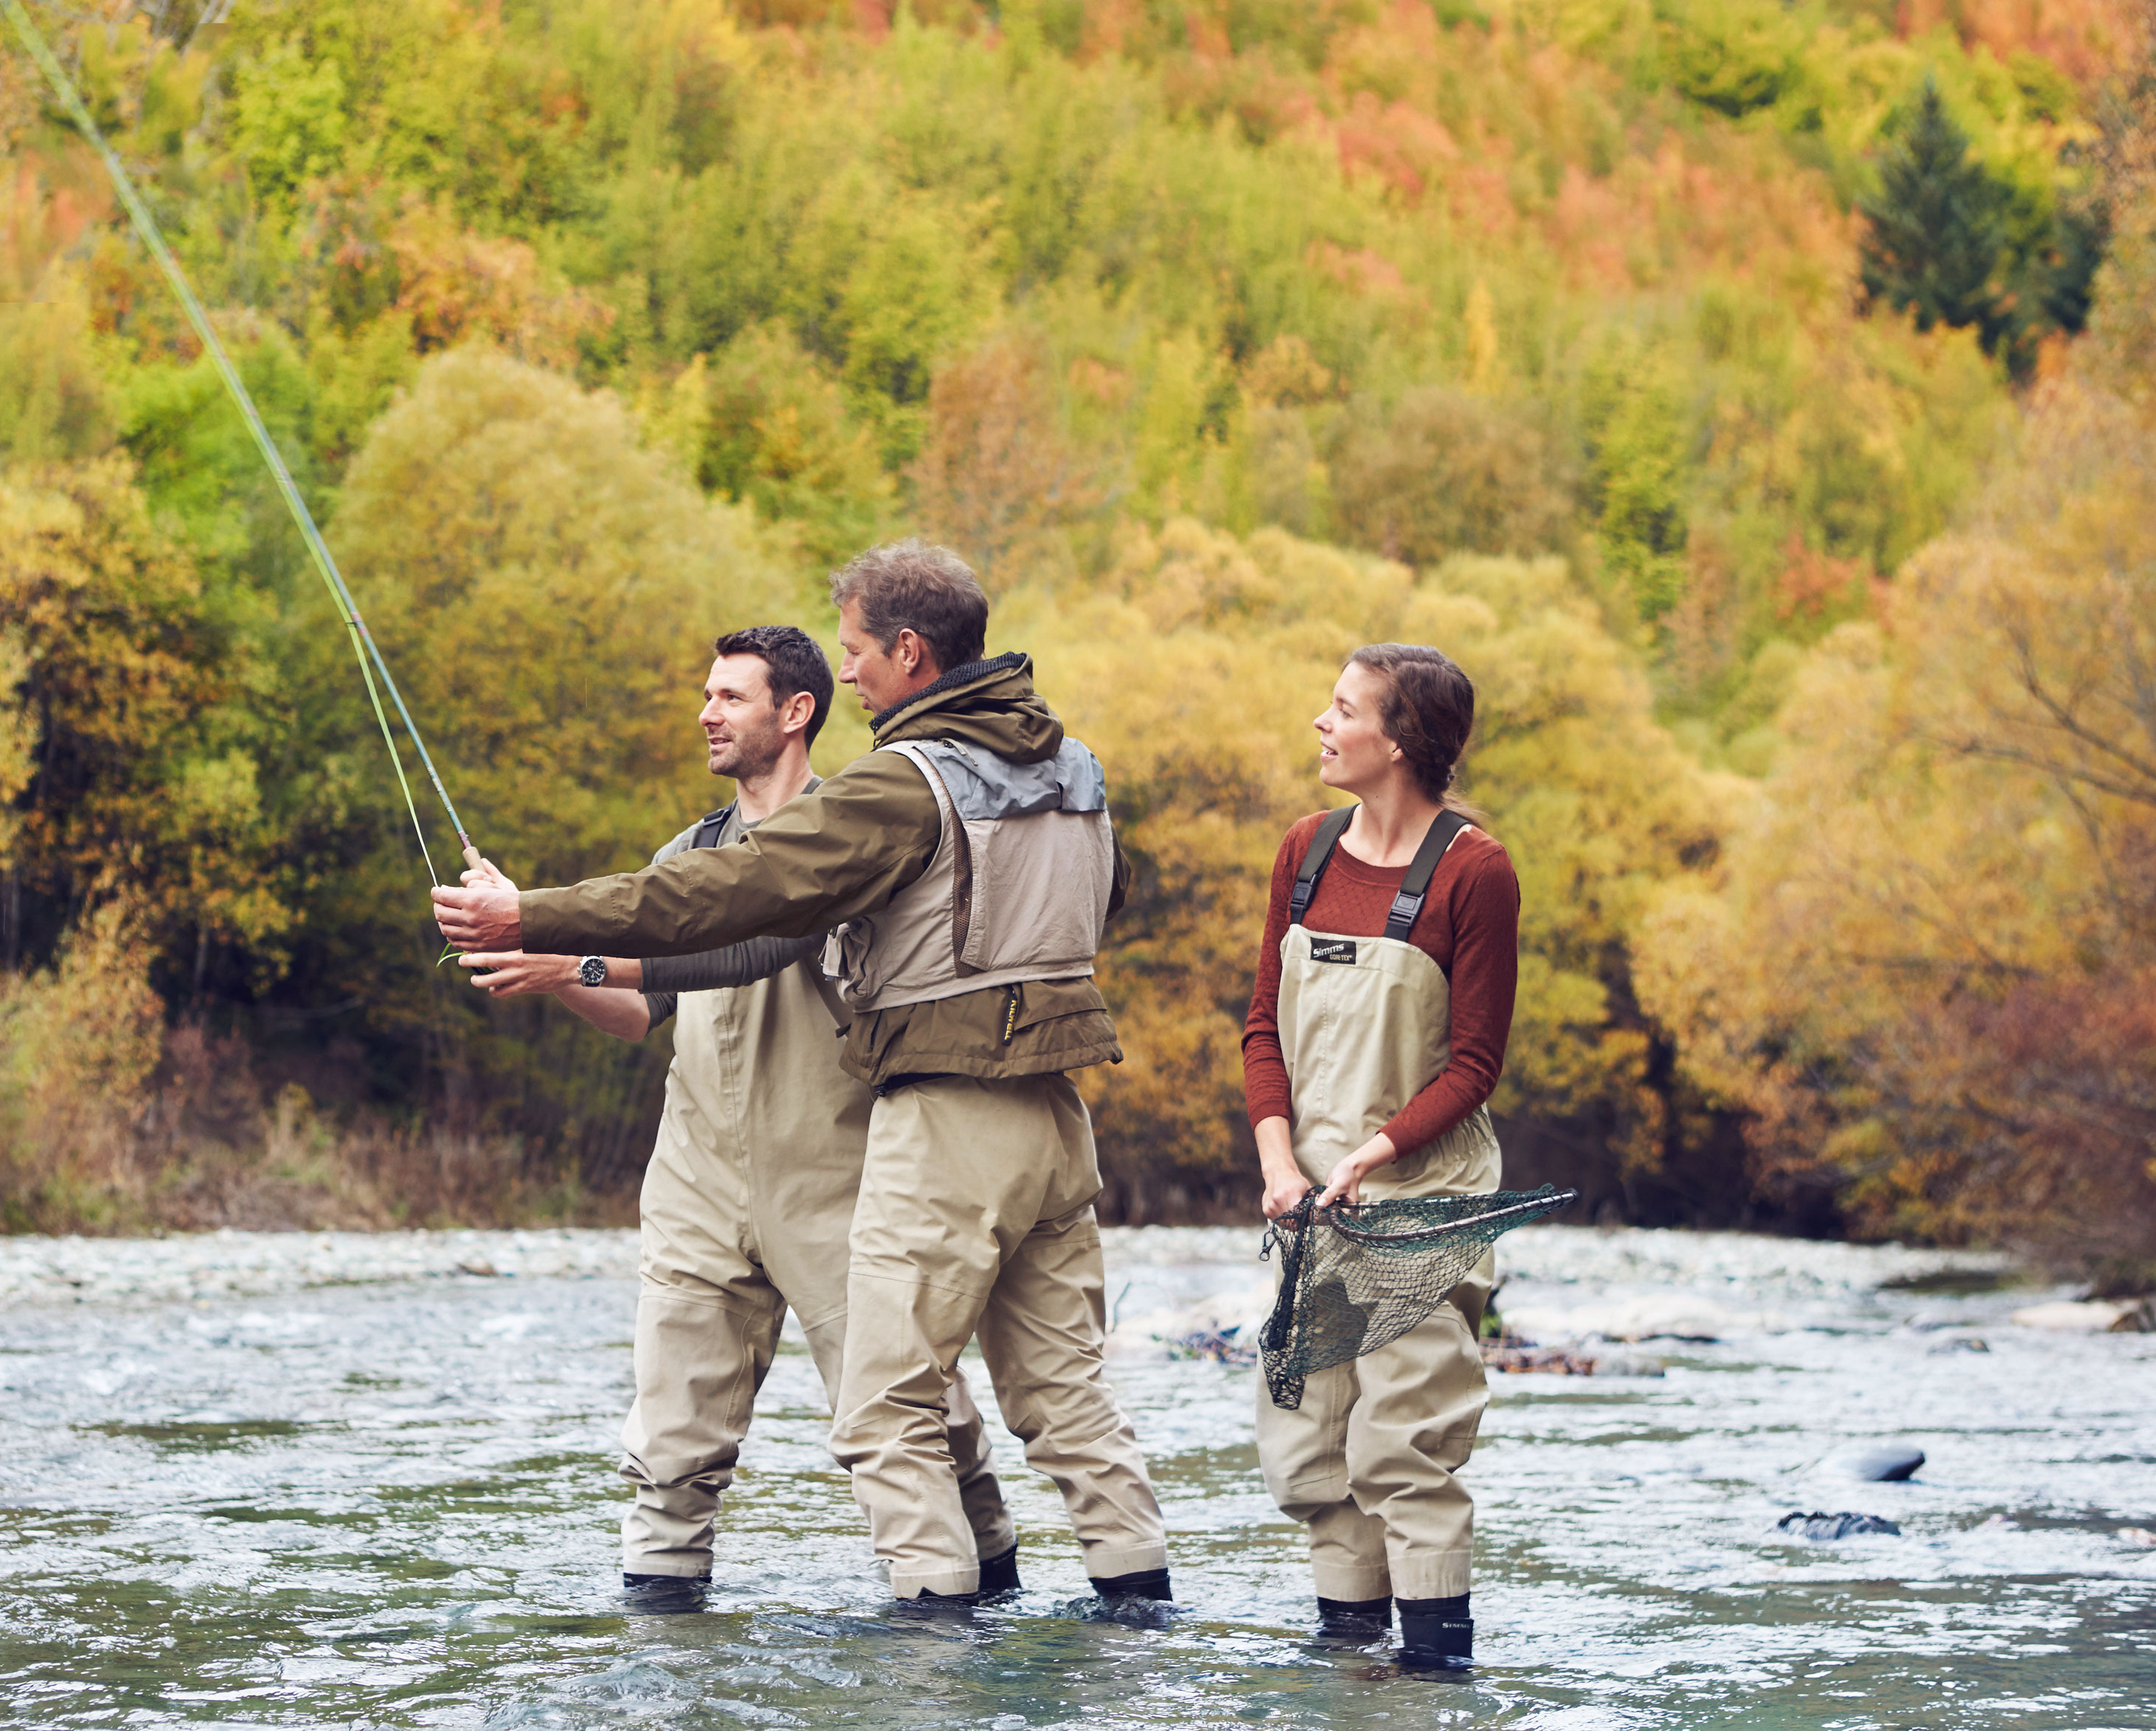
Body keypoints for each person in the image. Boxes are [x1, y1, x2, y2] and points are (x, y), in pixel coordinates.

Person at [432, 540, 1170, 1609]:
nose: (856, 668)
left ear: (897, 658)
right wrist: (559, 961)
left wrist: (539, 914)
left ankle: (941, 1661)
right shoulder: (1074, 769)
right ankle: (1138, 1639)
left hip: (905, 1136)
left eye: (860, 651)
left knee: (891, 1412)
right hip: (1034, 1113)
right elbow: (1102, 903)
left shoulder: (888, 796)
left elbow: (753, 914)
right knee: (1067, 1404)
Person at [1242, 644, 1519, 1670]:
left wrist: (1374, 1152)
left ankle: (1435, 1684)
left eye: (1342, 707)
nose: (1321, 721)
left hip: (1425, 1205)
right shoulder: (1304, 852)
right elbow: (1262, 1027)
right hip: (1305, 1207)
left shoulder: (1475, 869)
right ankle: (1350, 1684)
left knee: (1402, 1450)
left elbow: (1476, 1063)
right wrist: (1280, 1160)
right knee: (1312, 1455)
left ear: (1397, 741)